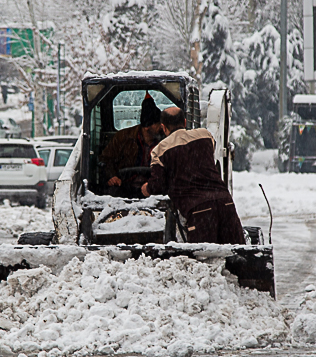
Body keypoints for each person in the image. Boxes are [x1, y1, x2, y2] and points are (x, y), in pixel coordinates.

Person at [141, 107, 244, 244]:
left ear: (163, 128)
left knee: (203, 260)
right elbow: (202, 157)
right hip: (225, 203)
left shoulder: (160, 150)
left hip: (199, 210)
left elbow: (158, 185)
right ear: (184, 122)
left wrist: (146, 188)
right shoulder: (205, 135)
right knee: (238, 254)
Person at [100, 94, 163, 198]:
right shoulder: (122, 138)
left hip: (153, 189)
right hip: (125, 187)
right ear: (147, 127)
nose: (161, 126)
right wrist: (112, 177)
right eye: (157, 123)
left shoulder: (165, 142)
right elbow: (106, 160)